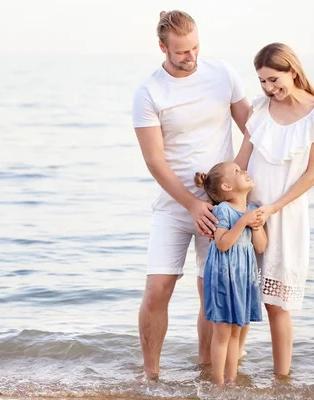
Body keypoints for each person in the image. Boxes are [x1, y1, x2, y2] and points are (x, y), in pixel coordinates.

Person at [131, 10, 252, 380]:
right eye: (182, 51)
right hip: (174, 206)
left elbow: (253, 130)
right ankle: (150, 376)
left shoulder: (223, 75)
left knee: (211, 289)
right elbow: (154, 161)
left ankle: (207, 370)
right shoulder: (149, 92)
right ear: (162, 47)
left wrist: (233, 190)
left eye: (195, 47)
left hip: (221, 209)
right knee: (157, 289)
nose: (191, 56)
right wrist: (192, 203)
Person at [233, 42, 314, 376]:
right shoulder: (260, 109)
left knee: (276, 304)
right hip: (248, 212)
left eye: (274, 80)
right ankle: (231, 372)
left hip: (286, 214)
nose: (269, 88)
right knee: (244, 296)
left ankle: (282, 381)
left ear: (293, 71)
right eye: (262, 81)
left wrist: (274, 208)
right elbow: (241, 161)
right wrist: (227, 205)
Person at [194, 162, 267, 385]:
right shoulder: (223, 210)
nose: (244, 171)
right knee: (223, 332)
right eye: (237, 171)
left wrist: (256, 226)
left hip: (243, 277)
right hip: (224, 276)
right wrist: (243, 221)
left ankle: (231, 380)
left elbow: (261, 247)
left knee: (236, 331)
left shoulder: (252, 208)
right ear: (226, 186)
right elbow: (223, 243)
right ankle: (217, 383)